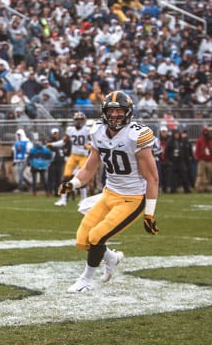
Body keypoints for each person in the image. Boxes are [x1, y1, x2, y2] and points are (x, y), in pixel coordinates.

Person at [59, 91, 159, 293]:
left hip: (131, 198)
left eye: (119, 111)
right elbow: (88, 168)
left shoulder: (136, 135)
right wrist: (72, 184)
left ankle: (86, 280)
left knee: (96, 237)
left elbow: (152, 178)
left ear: (128, 113)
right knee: (83, 238)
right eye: (111, 111)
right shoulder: (97, 131)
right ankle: (112, 258)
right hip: (109, 193)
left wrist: (149, 214)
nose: (114, 116)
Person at [51, 111, 92, 206]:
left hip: (83, 156)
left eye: (81, 119)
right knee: (66, 176)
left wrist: (89, 146)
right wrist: (52, 144)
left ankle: (83, 199)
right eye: (77, 119)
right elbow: (63, 142)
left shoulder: (87, 130)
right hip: (73, 155)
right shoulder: (70, 129)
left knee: (82, 177)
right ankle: (63, 200)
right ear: (74, 120)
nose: (79, 121)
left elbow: (94, 142)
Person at [194, 126, 212, 193]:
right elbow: (197, 150)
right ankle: (199, 187)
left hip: (209, 160)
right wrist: (197, 157)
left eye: (207, 131)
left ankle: (205, 187)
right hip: (202, 160)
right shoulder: (200, 140)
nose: (206, 133)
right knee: (201, 174)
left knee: (208, 174)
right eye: (205, 131)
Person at [47, 128, 66, 197]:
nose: (56, 135)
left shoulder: (61, 142)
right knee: (51, 178)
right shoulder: (49, 142)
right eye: (54, 133)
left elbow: (64, 149)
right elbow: (51, 149)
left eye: (56, 133)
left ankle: (57, 192)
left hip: (59, 162)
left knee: (58, 178)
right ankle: (49, 191)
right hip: (52, 162)